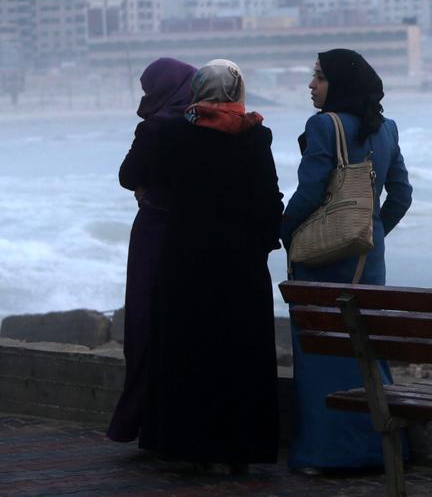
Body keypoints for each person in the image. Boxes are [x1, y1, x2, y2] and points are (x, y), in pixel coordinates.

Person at [139, 59, 284, 469]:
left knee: (191, 352)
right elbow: (269, 198)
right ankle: (242, 450)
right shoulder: (256, 135)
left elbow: (156, 183)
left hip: (185, 260)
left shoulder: (174, 134)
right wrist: (263, 243)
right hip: (241, 263)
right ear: (237, 90)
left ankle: (192, 448)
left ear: (198, 90)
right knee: (242, 355)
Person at [282, 49, 413, 474]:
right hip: (367, 263)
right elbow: (402, 195)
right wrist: (371, 231)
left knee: (322, 356)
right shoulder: (387, 128)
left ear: (339, 83)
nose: (311, 85)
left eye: (319, 77)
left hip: (324, 260)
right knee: (365, 351)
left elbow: (309, 192)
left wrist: (284, 232)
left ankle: (326, 452)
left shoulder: (324, 125)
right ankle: (380, 448)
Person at [107, 58, 196, 444]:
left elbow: (128, 175)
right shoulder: (206, 124)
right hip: (193, 234)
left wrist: (146, 190)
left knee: (145, 322)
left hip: (155, 231)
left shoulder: (156, 126)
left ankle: (141, 419)